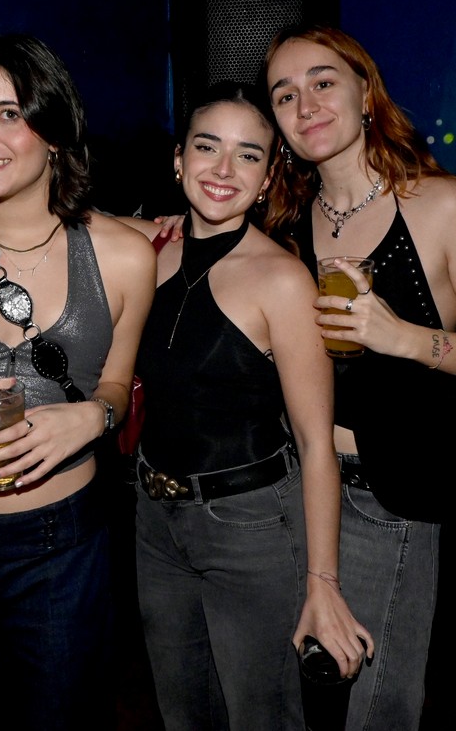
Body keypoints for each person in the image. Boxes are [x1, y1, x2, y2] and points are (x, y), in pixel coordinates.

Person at [261, 22, 456, 730]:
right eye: (285, 94)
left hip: (387, 500)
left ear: (366, 94)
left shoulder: (441, 205)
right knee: (296, 692)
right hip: (289, 487)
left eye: (323, 82)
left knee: (375, 706)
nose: (305, 104)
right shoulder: (284, 220)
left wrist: (405, 338)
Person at [0, 33, 156, 731]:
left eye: (9, 114)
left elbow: (115, 389)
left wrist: (93, 417)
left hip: (63, 550)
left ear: (55, 128)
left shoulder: (126, 257)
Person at [116, 81, 372, 730]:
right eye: (208, 147)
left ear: (266, 178)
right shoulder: (147, 248)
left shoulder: (283, 279)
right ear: (179, 160)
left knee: (262, 716)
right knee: (183, 713)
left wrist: (323, 583)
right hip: (154, 521)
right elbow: (52, 213)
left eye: (248, 154)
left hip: (251, 527)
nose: (224, 169)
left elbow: (315, 443)